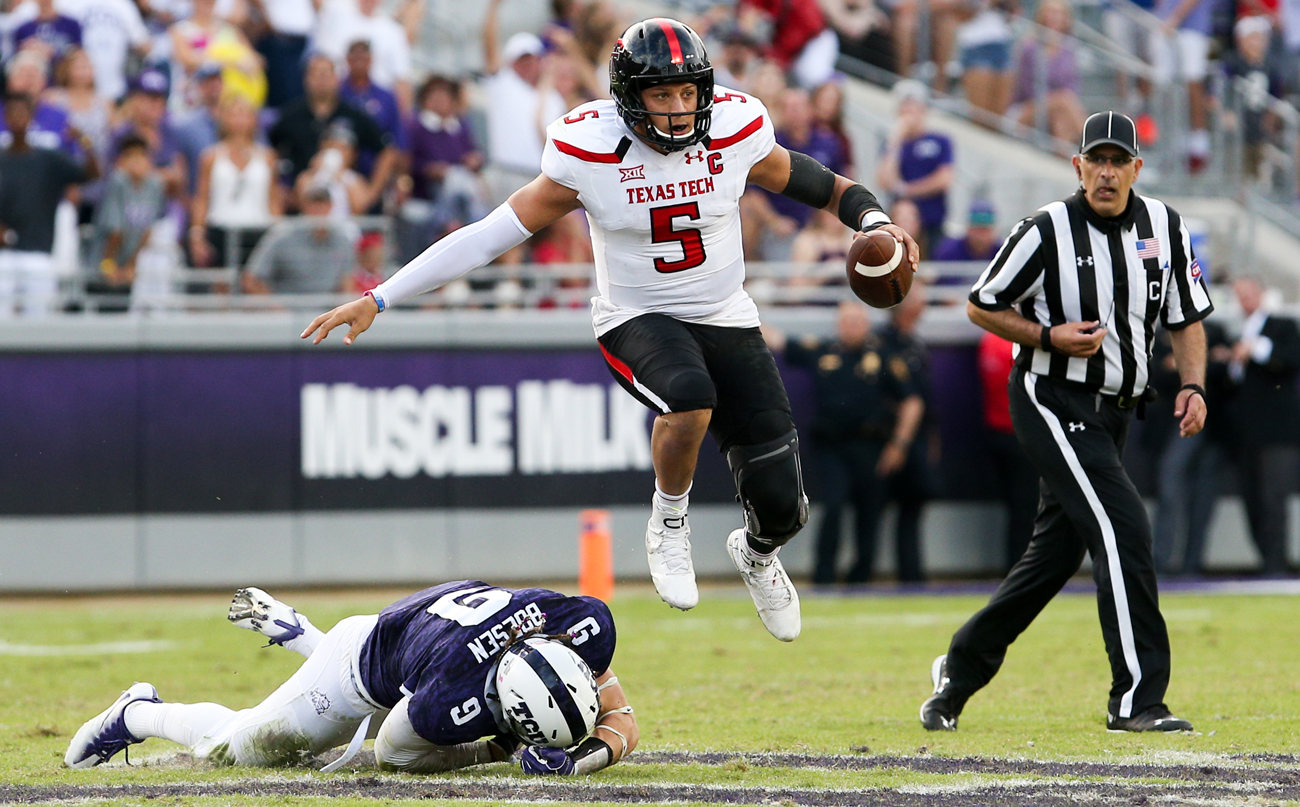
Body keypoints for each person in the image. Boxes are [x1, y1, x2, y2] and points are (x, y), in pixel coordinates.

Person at [301, 18, 919, 642]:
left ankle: (758, 552)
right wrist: (381, 296)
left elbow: (821, 184)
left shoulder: (734, 128)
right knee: (688, 396)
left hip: (726, 312)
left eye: (687, 93)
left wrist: (875, 219)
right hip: (637, 315)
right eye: (661, 95)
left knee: (784, 505)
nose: (679, 110)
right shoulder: (590, 152)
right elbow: (487, 236)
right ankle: (669, 517)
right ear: (628, 97)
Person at [921, 111, 1213, 733]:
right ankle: (1137, 700)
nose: (1106, 173)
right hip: (1051, 398)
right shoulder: (1045, 230)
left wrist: (1193, 385)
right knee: (1124, 525)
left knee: (1053, 558)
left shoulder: (1165, 226)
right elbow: (981, 305)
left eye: (1118, 161)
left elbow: (1187, 318)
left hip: (1117, 410)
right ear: (1076, 165)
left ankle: (959, 669)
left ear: (1137, 168)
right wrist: (1047, 335)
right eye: (1095, 160)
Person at [65, 582, 637, 776]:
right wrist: (496, 749)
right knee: (234, 752)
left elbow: (623, 720)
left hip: (403, 640)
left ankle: (296, 631)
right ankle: (138, 711)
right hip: (353, 673)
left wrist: (577, 760)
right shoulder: (450, 696)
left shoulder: (573, 626)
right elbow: (393, 755)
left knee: (400, 700)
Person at [765, 301, 924, 584]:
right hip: (832, 447)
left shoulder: (884, 356)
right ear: (838, 325)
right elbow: (777, 340)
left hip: (872, 446)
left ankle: (861, 576)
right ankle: (823, 576)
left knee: (870, 511)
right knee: (833, 505)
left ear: (866, 324)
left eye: (857, 321)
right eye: (846, 321)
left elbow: (912, 401)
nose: (852, 326)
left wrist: (899, 444)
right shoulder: (823, 351)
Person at [1221, 276, 1300, 575]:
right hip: (1246, 433)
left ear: (1263, 293)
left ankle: (1276, 564)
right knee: (1251, 498)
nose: (1244, 300)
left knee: (1273, 497)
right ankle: (1266, 559)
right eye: (1238, 295)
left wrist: (1257, 350)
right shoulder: (1234, 332)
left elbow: (1292, 358)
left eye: (1249, 293)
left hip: (1278, 432)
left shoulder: (1281, 326)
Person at [0, 92, 98, 318]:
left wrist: (84, 141)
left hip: (39, 252)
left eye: (22, 112)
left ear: (32, 117)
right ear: (5, 117)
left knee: (39, 318)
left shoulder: (49, 158)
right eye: (11, 112)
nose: (17, 117)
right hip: (3, 256)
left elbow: (91, 174)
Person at [269, 53, 398, 208]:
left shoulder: (353, 115)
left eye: (326, 74)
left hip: (345, 199)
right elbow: (270, 151)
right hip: (302, 203)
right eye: (315, 74)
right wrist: (281, 191)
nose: (321, 80)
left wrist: (372, 193)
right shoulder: (291, 116)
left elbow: (387, 152)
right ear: (306, 79)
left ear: (336, 78)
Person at [480, 0, 566, 203]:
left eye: (532, 59)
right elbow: (489, 45)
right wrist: (493, 8)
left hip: (540, 177)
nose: (528, 64)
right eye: (522, 59)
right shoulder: (503, 83)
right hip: (505, 172)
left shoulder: (553, 96)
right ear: (511, 62)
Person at [190, 94, 282, 271]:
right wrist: (197, 235)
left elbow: (273, 198)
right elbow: (202, 198)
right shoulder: (211, 157)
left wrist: (277, 234)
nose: (239, 119)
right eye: (233, 113)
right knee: (222, 285)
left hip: (258, 230)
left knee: (254, 282)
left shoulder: (267, 157)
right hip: (221, 229)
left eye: (244, 113)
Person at [977, 330, 1039, 572]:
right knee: (1026, 510)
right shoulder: (1013, 344)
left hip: (997, 431)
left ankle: (1018, 566)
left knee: (1018, 510)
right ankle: (1022, 568)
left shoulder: (989, 341)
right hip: (1020, 433)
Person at [875, 80, 953, 256]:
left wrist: (908, 190)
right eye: (905, 108)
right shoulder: (892, 144)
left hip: (931, 222)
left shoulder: (940, 141)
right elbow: (885, 181)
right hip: (898, 225)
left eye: (913, 107)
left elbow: (944, 178)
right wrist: (895, 141)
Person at [92, 134, 167, 304]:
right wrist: (109, 265)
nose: (136, 161)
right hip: (105, 259)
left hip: (130, 262)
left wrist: (130, 265)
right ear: (120, 160)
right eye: (130, 156)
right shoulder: (117, 182)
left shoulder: (154, 185)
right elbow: (115, 231)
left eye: (141, 155)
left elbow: (147, 229)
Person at [242, 185, 353, 294]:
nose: (318, 210)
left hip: (328, 309)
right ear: (303, 206)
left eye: (322, 204)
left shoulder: (342, 240)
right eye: (313, 205)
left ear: (331, 206)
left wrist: (341, 310)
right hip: (288, 307)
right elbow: (252, 278)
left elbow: (347, 283)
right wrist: (277, 310)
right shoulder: (282, 234)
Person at [1011, 0, 1086, 146]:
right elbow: (1024, 88)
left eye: (1058, 13)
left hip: (1055, 109)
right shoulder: (1030, 47)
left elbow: (1073, 86)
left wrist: (1054, 103)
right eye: (1050, 12)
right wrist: (1054, 100)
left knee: (1060, 120)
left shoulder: (1069, 50)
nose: (1054, 17)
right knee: (1063, 99)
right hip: (1026, 108)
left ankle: (1064, 161)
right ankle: (1093, 143)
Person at [932, 198, 1001, 263]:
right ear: (968, 228)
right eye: (977, 229)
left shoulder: (1003, 252)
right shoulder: (949, 251)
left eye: (984, 229)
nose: (980, 236)